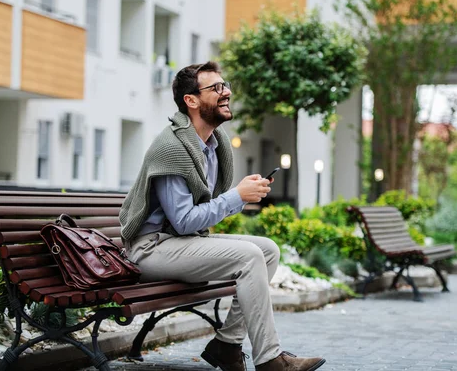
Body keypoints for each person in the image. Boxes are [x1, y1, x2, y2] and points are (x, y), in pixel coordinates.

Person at [119, 61, 326, 371]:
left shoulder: (215, 145)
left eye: (225, 85)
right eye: (215, 88)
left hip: (181, 243)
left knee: (268, 250)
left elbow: (205, 211)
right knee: (249, 256)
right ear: (191, 100)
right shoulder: (171, 148)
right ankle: (270, 360)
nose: (226, 92)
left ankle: (227, 344)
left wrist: (244, 195)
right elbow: (185, 220)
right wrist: (236, 197)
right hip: (150, 249)